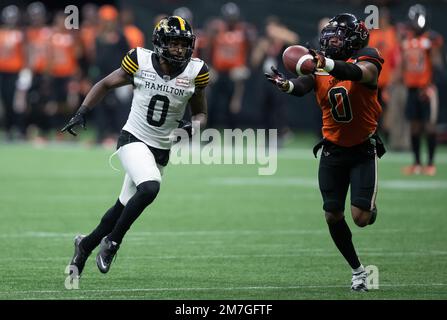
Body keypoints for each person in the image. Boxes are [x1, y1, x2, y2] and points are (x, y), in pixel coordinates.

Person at [62, 16, 209, 277]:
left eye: (183, 44)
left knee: (122, 207)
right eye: (173, 43)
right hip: (133, 139)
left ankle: (84, 245)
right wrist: (82, 111)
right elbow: (105, 83)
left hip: (161, 149)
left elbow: (200, 114)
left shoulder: (196, 71)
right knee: (150, 186)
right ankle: (113, 242)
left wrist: (192, 128)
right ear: (160, 43)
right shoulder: (140, 60)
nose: (179, 50)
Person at [266, 13, 385, 291]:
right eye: (328, 36)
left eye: (337, 36)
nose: (331, 41)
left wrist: (327, 64)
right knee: (332, 214)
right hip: (332, 149)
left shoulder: (368, 56)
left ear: (354, 38)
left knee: (361, 218)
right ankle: (357, 271)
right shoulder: (319, 65)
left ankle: (369, 207)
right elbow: (303, 85)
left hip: (363, 149)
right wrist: (287, 85)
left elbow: (359, 73)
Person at [400, 4, 444, 176]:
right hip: (412, 89)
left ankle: (431, 163)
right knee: (414, 127)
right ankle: (417, 163)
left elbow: (438, 64)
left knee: (430, 126)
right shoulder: (406, 40)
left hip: (428, 89)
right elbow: (404, 66)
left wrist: (430, 85)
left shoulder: (431, 39)